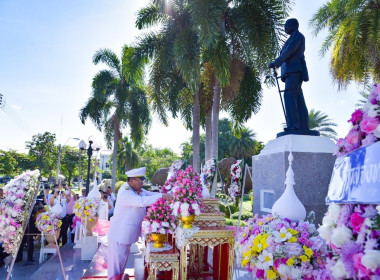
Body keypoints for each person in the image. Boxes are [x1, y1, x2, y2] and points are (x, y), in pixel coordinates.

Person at [107, 167, 172, 280]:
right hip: (119, 234)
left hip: (124, 234)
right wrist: (162, 196)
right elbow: (142, 202)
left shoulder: (135, 190)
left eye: (142, 179)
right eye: (140, 180)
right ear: (131, 181)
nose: (142, 182)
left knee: (121, 263)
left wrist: (166, 194)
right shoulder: (125, 192)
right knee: (116, 266)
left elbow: (148, 195)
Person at [269, 18, 310, 132]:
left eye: (287, 25)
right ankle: (303, 126)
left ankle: (293, 126)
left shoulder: (297, 36)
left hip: (294, 70)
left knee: (289, 96)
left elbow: (288, 52)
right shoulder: (293, 37)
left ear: (293, 25)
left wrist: (276, 63)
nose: (285, 27)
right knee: (298, 98)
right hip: (290, 72)